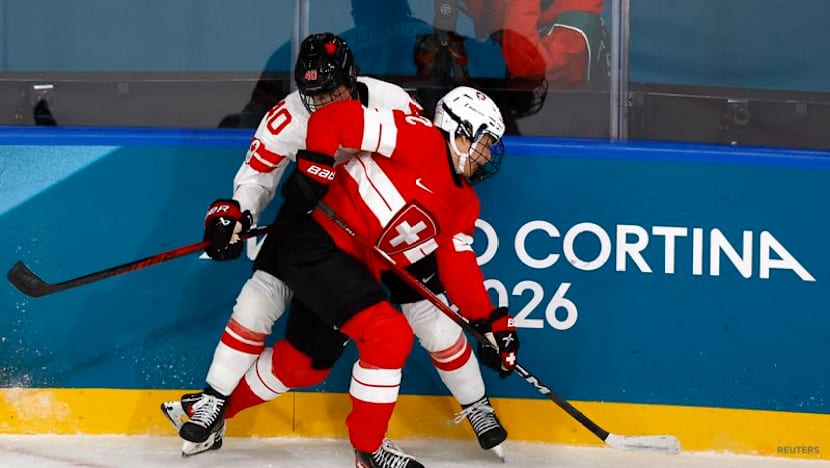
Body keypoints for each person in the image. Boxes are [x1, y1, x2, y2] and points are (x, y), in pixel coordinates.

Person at [162, 33, 510, 460]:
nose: (324, 101)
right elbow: (259, 174)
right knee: (262, 303)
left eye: (333, 91)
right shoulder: (288, 118)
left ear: (352, 78)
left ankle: (475, 405)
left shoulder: (395, 106)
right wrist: (239, 213)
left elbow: (456, 255)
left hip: (375, 246)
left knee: (308, 363)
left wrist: (491, 321)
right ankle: (215, 398)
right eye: (315, 95)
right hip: (316, 222)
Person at [463, 0, 608, 87]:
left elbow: (526, 69)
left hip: (558, 123)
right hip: (516, 114)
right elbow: (488, 26)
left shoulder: (577, 27)